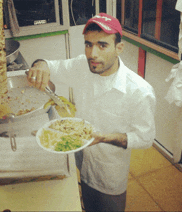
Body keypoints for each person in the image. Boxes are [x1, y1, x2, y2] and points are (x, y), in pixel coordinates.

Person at [27, 13, 156, 212]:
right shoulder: (82, 66)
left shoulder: (139, 91)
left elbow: (146, 138)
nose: (92, 53)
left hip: (109, 173)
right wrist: (40, 65)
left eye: (102, 45)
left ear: (118, 48)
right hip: (82, 160)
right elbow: (49, 66)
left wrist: (105, 137)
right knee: (88, 203)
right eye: (88, 44)